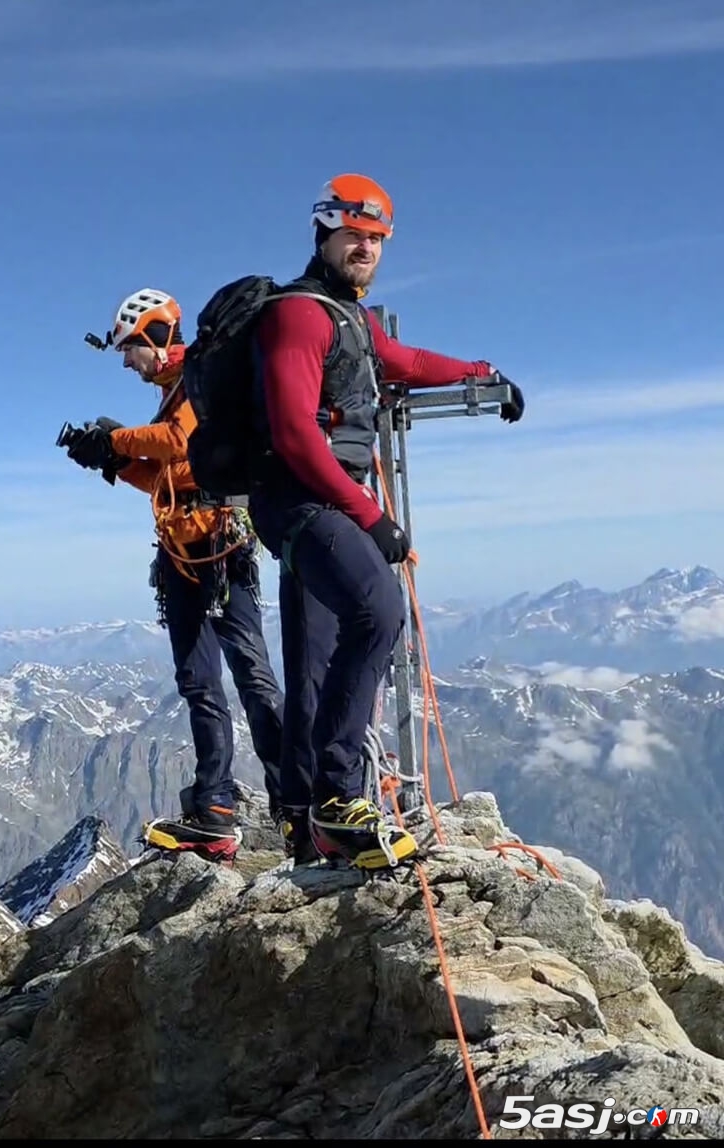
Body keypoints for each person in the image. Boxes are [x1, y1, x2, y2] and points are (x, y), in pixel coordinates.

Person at [247, 173, 525, 870]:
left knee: (316, 662)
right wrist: (371, 517)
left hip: (323, 501)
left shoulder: (352, 322)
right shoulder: (300, 315)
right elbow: (292, 434)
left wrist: (481, 371)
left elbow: (404, 361)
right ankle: (340, 799)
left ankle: (307, 818)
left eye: (375, 239)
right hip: (303, 498)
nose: (365, 247)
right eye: (354, 234)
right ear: (324, 231)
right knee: (378, 609)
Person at [63, 288, 286, 864]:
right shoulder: (172, 394)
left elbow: (178, 443)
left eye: (128, 349)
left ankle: (295, 798)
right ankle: (215, 806)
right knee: (201, 682)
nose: (126, 362)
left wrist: (113, 441)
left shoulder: (202, 380)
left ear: (153, 338)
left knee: (248, 674)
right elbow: (169, 479)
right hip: (187, 554)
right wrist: (116, 463)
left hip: (218, 548)